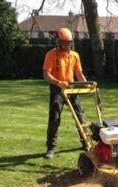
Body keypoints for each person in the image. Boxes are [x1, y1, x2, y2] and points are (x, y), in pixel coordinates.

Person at [42, 27, 88, 159]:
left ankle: (85, 142)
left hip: (72, 88)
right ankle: (51, 148)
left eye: (69, 42)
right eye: (65, 42)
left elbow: (79, 73)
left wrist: (86, 84)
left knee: (80, 116)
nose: (68, 45)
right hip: (57, 89)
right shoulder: (51, 55)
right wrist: (57, 82)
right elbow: (46, 74)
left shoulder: (74, 55)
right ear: (59, 42)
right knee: (55, 118)